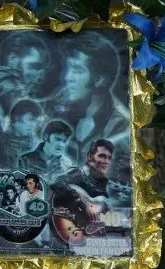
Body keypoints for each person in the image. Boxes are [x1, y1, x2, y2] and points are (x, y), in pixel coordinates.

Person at [50, 31, 130, 182]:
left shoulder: (121, 127)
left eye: (77, 70)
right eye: (69, 68)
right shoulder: (60, 111)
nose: (67, 78)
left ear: (99, 80)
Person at [0, 99, 43, 169]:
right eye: (30, 119)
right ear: (16, 119)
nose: (33, 125)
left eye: (36, 121)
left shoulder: (37, 146)